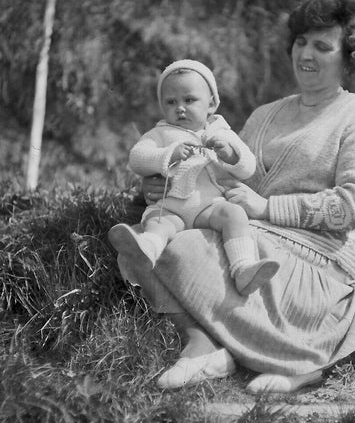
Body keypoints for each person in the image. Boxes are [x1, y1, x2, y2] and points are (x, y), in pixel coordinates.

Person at [117, 0, 355, 393]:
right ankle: (205, 344)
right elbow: (220, 178)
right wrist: (160, 187)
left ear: (348, 58)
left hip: (319, 256)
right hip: (252, 234)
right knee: (161, 242)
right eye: (301, 42)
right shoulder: (265, 115)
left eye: (323, 46)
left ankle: (299, 357)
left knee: (194, 246)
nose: (307, 54)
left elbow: (353, 206)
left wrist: (266, 209)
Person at [109, 59, 279, 296]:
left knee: (234, 214)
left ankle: (243, 269)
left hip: (208, 207)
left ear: (211, 104)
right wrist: (168, 154)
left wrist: (230, 155)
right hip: (170, 208)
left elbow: (248, 167)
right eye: (171, 102)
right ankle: (146, 250)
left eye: (189, 100)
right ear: (161, 106)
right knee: (158, 224)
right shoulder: (161, 133)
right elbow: (137, 158)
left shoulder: (221, 133)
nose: (180, 108)